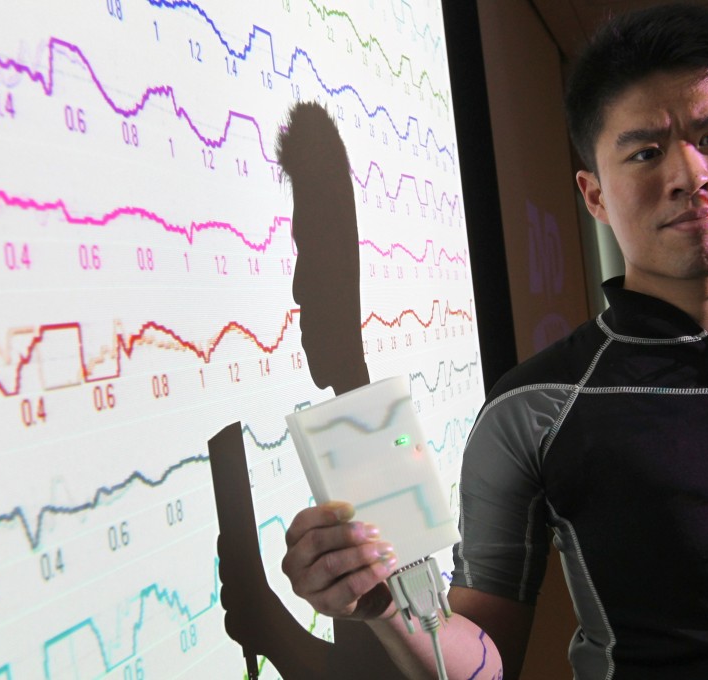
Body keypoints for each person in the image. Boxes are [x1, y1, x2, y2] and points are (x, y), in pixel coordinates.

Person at [279, 4, 708, 679]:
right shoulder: (534, 407)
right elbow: (485, 663)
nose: (689, 174)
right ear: (592, 193)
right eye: (646, 152)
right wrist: (391, 611)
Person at [208, 101, 501, 678]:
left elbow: (402, 672)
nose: (297, 284)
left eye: (310, 248)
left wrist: (267, 622)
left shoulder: (364, 443)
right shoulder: (359, 427)